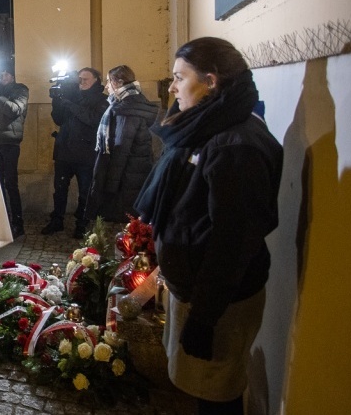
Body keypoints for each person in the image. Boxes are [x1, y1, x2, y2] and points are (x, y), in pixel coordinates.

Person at [134, 37, 283, 415]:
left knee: (217, 394)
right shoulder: (208, 125)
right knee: (203, 387)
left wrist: (203, 317)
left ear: (211, 81)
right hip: (198, 290)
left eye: (179, 77)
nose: (172, 87)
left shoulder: (235, 145)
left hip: (219, 303)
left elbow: (233, 242)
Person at [84, 65, 159, 224]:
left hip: (126, 178)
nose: (106, 86)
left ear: (118, 82)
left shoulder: (126, 109)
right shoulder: (133, 102)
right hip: (134, 172)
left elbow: (121, 150)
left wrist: (109, 187)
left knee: (125, 222)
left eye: (108, 82)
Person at [41, 67, 108, 238]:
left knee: (85, 192)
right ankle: (57, 220)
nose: (81, 82)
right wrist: (57, 100)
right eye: (80, 79)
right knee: (60, 189)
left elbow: (93, 120)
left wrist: (70, 105)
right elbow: (58, 119)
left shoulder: (102, 100)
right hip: (64, 151)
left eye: (85, 79)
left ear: (96, 80)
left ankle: (82, 224)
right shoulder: (72, 95)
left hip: (86, 154)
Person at [0, 62, 29, 238]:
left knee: (11, 183)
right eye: (0, 75)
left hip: (9, 143)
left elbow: (15, 110)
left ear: (12, 76)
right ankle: (1, 221)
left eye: (5, 74)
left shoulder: (20, 90)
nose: (2, 77)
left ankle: (17, 223)